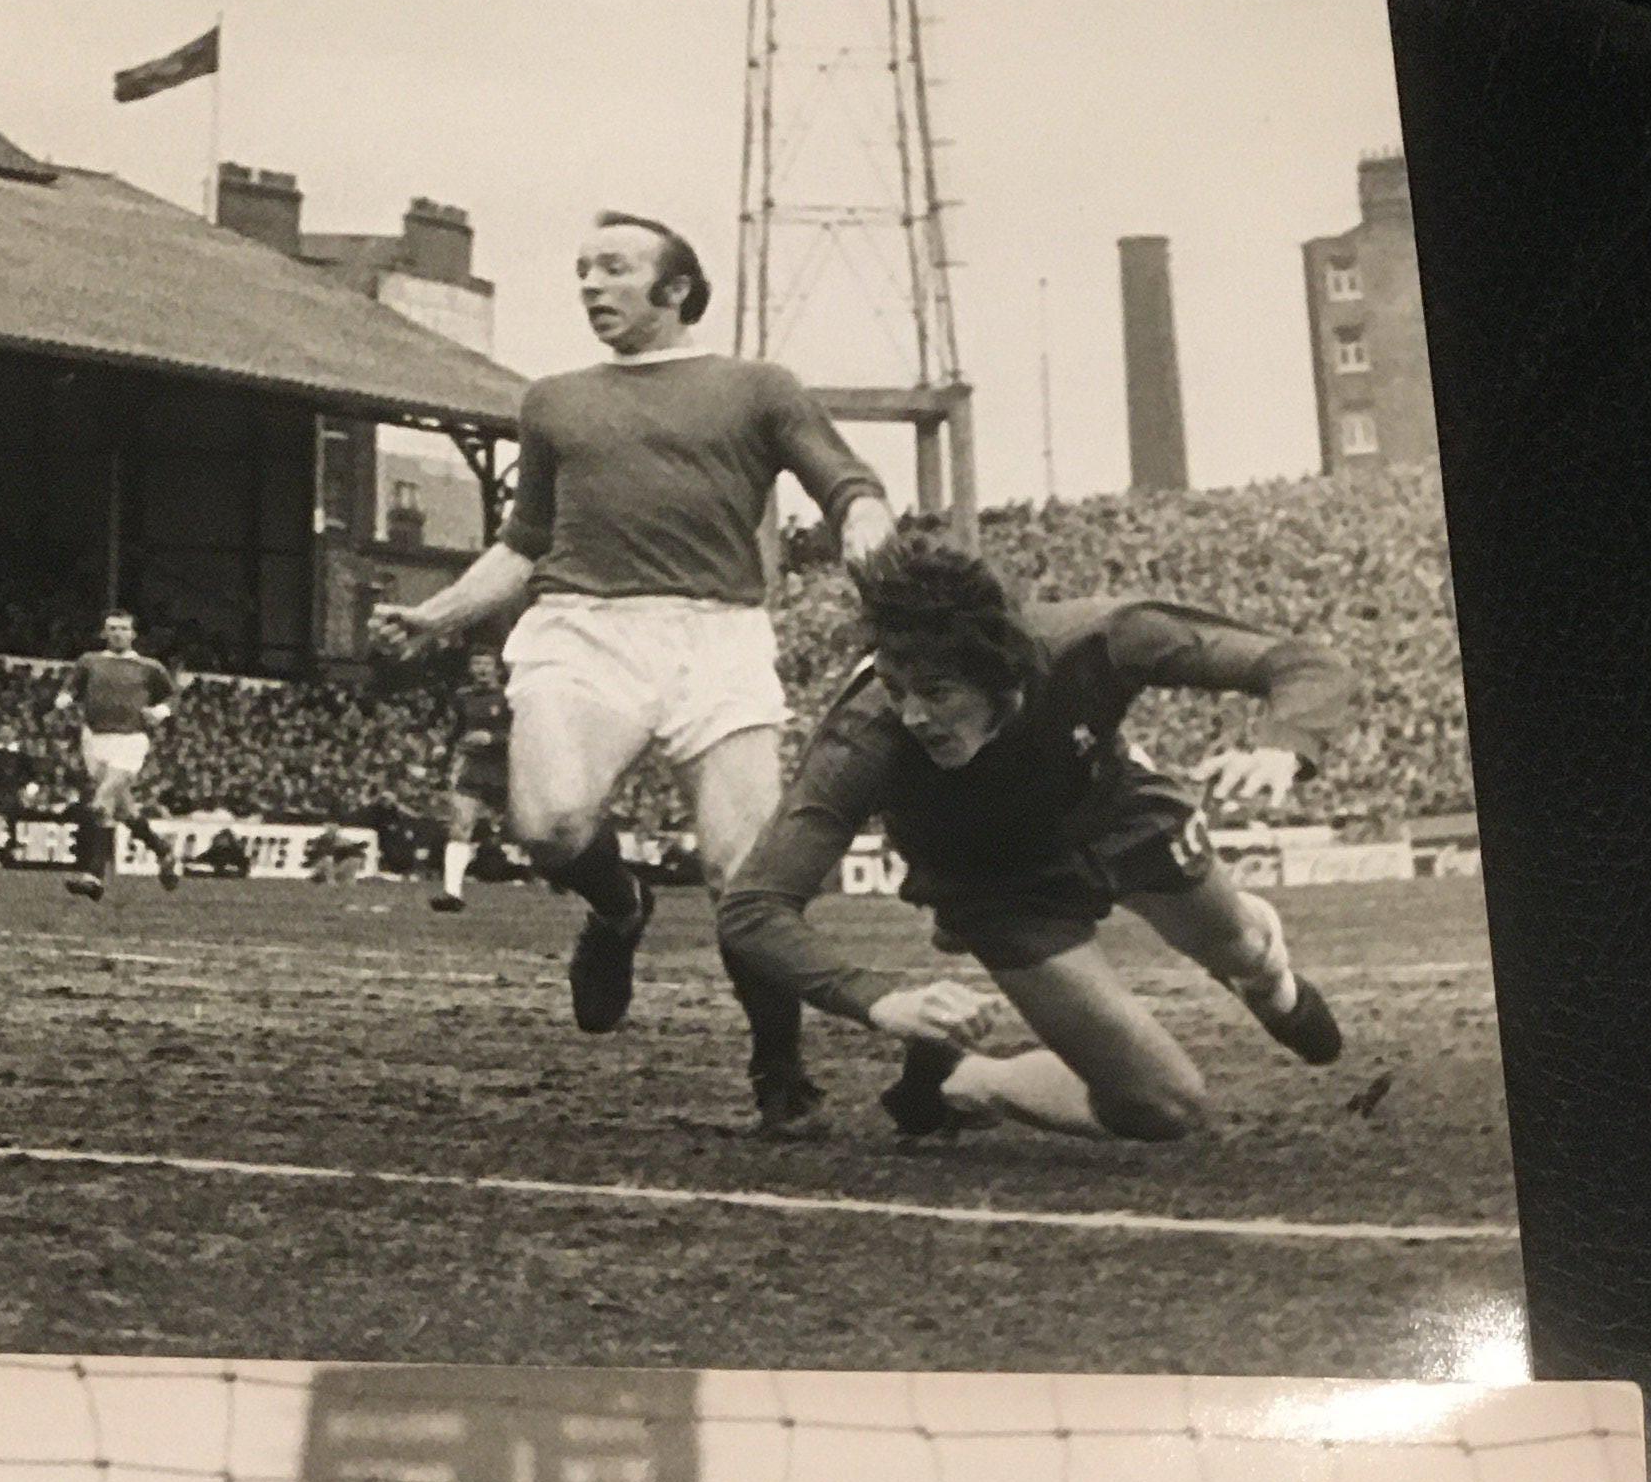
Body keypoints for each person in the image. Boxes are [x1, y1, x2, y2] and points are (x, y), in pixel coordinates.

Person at [367, 213, 893, 1122]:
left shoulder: (757, 388)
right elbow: (525, 542)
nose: (590, 286)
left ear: (676, 289)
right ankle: (619, 910)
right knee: (553, 828)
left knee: (745, 881)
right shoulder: (556, 401)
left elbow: (844, 479)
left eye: (613, 268)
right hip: (584, 628)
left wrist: (866, 522)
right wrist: (438, 613)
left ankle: (780, 1074)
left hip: (717, 637)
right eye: (581, 270)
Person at [714, 525, 1353, 1149]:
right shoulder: (864, 739)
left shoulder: (1099, 640)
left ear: (1004, 674)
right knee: (1165, 1106)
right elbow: (753, 907)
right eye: (894, 687)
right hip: (997, 884)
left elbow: (1301, 661)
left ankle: (1272, 986)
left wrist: (1284, 748)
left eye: (936, 692)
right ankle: (962, 1078)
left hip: (1110, 809)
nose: (912, 715)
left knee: (1242, 948)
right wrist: (882, 1002)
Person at [60, 610, 182, 898]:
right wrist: (63, 698)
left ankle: (94, 875)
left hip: (131, 739)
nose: (117, 633)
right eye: (112, 628)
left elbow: (172, 695)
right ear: (104, 633)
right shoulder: (89, 661)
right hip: (94, 739)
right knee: (124, 810)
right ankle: (163, 850)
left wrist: (160, 711)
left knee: (102, 802)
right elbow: (71, 686)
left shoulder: (149, 667)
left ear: (133, 634)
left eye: (123, 628)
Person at [431, 643, 514, 912]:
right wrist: (443, 746)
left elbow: (526, 732)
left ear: (497, 669)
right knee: (460, 826)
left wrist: (494, 738)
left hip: (507, 770)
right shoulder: (462, 697)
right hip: (473, 769)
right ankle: (452, 893)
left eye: (486, 664)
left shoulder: (511, 696)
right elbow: (456, 729)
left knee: (532, 830)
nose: (481, 669)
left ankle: (564, 880)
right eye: (476, 664)